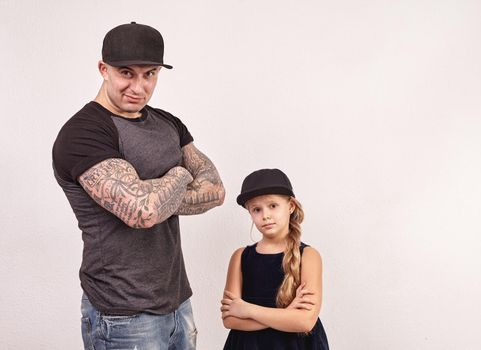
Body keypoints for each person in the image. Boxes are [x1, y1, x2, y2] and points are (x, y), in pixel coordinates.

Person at [52, 22, 225, 350]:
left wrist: (154, 193)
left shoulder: (167, 122)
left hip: (178, 303)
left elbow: (215, 190)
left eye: (150, 74)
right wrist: (179, 173)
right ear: (104, 69)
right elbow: (141, 212)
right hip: (123, 314)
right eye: (126, 73)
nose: (139, 86)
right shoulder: (84, 133)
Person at [221, 169, 329, 349]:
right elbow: (230, 319)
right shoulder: (240, 257)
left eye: (273, 206)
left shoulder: (309, 256)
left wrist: (247, 310)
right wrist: (286, 315)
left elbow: (305, 321)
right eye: (257, 209)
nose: (265, 215)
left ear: (291, 206)